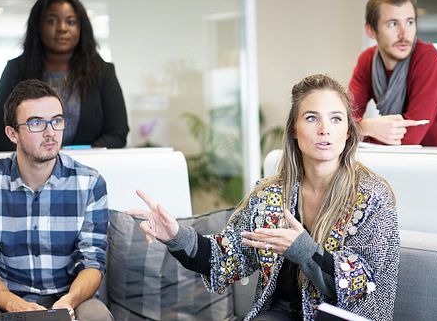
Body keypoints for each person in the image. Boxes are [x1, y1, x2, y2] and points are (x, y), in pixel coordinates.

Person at [127, 74, 399, 320]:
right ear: (294, 129)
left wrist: (304, 250)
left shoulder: (373, 196)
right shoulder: (270, 194)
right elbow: (228, 256)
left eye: (336, 118)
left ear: (348, 131)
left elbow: (362, 283)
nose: (324, 129)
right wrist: (176, 236)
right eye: (312, 117)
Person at [0, 79, 112, 320]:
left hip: (69, 296)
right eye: (36, 123)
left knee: (96, 316)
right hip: (7, 299)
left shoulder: (90, 183)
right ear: (12, 133)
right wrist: (14, 305)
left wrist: (68, 303)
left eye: (57, 121)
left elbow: (92, 261)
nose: (50, 132)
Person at [0, 0, 129, 151]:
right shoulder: (16, 70)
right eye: (52, 21)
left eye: (71, 22)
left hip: (88, 169)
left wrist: (76, 159)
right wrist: (41, 156)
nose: (62, 28)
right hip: (30, 170)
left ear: (81, 28)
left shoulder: (102, 72)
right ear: (38, 26)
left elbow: (117, 133)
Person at [348, 0, 437, 146]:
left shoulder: (427, 58)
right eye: (393, 24)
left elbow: (409, 137)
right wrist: (366, 126)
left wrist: (359, 129)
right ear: (371, 31)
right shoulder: (367, 60)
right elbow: (343, 119)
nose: (404, 34)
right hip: (402, 160)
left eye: (409, 22)